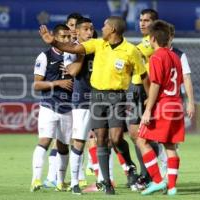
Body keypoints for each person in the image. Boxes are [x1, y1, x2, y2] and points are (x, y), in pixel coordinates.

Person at [39, 16, 148, 195]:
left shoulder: (130, 50)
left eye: (104, 25)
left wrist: (148, 98)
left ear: (112, 29)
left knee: (116, 137)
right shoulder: (98, 44)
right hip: (97, 97)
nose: (100, 28)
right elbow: (73, 47)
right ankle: (107, 183)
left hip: (117, 96)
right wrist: (54, 42)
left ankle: (129, 165)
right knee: (101, 138)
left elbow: (143, 75)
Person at [137, 20, 185, 196]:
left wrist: (148, 109)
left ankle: (157, 181)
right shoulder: (175, 57)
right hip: (176, 104)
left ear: (153, 38)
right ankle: (172, 187)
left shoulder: (157, 56)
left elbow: (156, 84)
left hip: (164, 105)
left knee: (141, 140)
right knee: (170, 146)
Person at [30, 24, 72, 192]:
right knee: (45, 141)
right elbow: (37, 84)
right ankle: (36, 180)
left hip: (68, 107)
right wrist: (57, 83)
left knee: (63, 145)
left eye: (68, 36)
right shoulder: (44, 56)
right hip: (49, 105)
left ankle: (60, 182)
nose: (67, 40)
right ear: (55, 37)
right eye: (63, 37)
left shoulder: (74, 56)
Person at [127, 8, 161, 189]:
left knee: (147, 136)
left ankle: (151, 175)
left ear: (154, 23)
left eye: (146, 20)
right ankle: (145, 173)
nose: (142, 23)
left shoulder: (153, 43)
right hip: (135, 89)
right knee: (134, 134)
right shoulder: (142, 43)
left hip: (148, 89)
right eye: (140, 20)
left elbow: (134, 54)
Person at [63, 17, 94, 194]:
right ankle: (75, 182)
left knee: (106, 139)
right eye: (86, 29)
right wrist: (82, 52)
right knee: (80, 141)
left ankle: (106, 180)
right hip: (81, 99)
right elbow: (73, 71)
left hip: (101, 98)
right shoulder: (71, 49)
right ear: (78, 32)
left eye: (91, 29)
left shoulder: (98, 45)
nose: (89, 33)